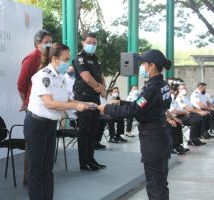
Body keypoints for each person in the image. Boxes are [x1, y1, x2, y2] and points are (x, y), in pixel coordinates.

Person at [98, 49, 172, 200]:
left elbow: (133, 110)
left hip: (153, 139)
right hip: (161, 135)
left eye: (143, 64)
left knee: (154, 183)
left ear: (152, 66)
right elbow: (144, 105)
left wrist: (107, 108)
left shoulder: (152, 88)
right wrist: (122, 102)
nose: (141, 67)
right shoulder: (162, 84)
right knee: (160, 182)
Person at [24, 43, 94, 200]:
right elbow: (49, 103)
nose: (68, 63)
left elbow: (65, 99)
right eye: (66, 59)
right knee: (36, 169)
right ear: (55, 59)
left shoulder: (61, 77)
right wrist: (76, 105)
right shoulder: (43, 76)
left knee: (48, 169)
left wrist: (83, 103)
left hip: (50, 125)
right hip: (36, 125)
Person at [17, 29, 53, 185]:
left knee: (44, 147)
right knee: (33, 145)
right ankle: (29, 177)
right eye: (46, 42)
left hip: (48, 108)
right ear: (38, 43)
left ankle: (40, 176)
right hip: (34, 108)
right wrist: (26, 102)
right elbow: (21, 84)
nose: (49, 44)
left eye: (50, 41)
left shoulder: (50, 59)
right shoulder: (32, 58)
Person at [72, 32, 107, 171]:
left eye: (94, 43)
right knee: (85, 131)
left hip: (95, 98)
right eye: (89, 42)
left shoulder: (96, 59)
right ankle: (84, 162)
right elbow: (86, 78)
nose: (92, 45)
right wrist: (99, 88)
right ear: (83, 43)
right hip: (84, 98)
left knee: (93, 131)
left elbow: (101, 76)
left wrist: (103, 86)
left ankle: (91, 159)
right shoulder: (80, 59)